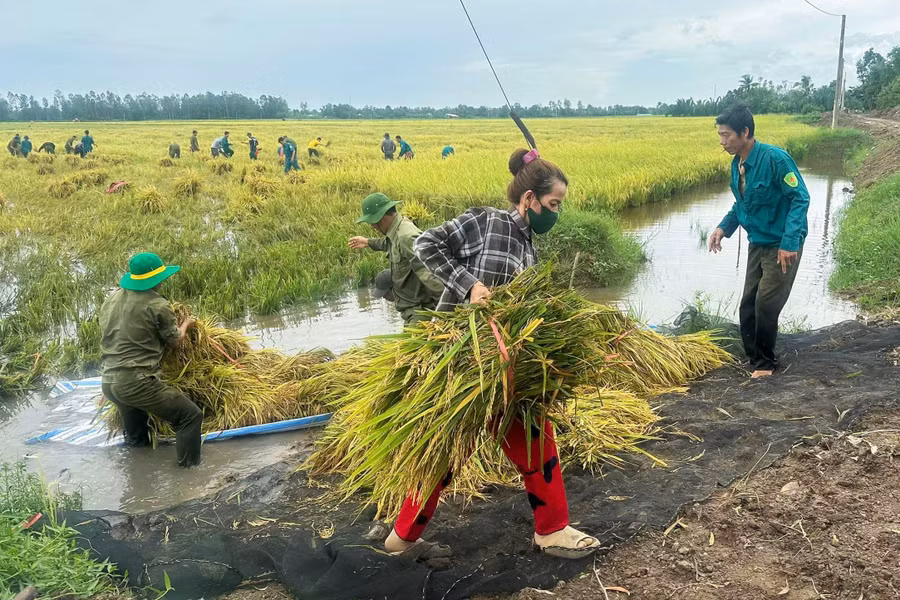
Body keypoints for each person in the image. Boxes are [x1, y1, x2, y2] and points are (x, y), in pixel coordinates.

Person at [383, 148, 601, 559]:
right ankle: (402, 537)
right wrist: (469, 285)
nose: (555, 213)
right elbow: (427, 244)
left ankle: (552, 529)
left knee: (537, 441)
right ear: (528, 199)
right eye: (553, 204)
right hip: (460, 362)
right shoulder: (487, 221)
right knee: (445, 450)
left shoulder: (529, 247)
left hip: (502, 368)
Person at [708, 105, 810, 379]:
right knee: (748, 302)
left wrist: (790, 242)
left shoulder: (776, 160)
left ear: (745, 132)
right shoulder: (737, 165)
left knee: (766, 303)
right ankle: (754, 357)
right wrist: (723, 228)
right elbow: (743, 204)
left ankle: (766, 364)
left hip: (781, 244)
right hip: (758, 241)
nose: (722, 141)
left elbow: (800, 198)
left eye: (727, 135)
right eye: (720, 135)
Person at [98, 252, 203, 467]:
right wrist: (187, 323)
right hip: (137, 382)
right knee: (190, 416)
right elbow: (174, 340)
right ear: (156, 279)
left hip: (109, 382)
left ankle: (140, 480)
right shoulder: (157, 304)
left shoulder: (112, 299)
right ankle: (190, 477)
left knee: (137, 437)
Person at [348, 193, 444, 324]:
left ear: (380, 219)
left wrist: (446, 310)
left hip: (420, 312)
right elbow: (391, 244)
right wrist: (368, 242)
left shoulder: (406, 236)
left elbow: (430, 273)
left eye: (372, 223)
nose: (373, 227)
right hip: (412, 311)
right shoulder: (397, 231)